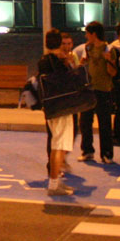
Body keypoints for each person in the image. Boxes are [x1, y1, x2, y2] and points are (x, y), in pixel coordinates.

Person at [38, 28, 77, 197]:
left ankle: (54, 182)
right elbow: (69, 81)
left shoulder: (43, 60)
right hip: (62, 107)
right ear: (59, 43)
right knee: (59, 147)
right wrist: (68, 64)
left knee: (55, 145)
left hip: (51, 107)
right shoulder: (59, 62)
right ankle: (54, 184)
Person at [78, 21, 118, 164]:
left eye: (87, 33)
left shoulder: (108, 49)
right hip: (89, 89)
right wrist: (82, 62)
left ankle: (107, 153)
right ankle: (87, 151)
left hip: (103, 89)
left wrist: (108, 61)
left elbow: (113, 73)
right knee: (85, 121)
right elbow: (83, 66)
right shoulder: (88, 48)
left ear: (93, 34)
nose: (86, 36)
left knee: (104, 123)